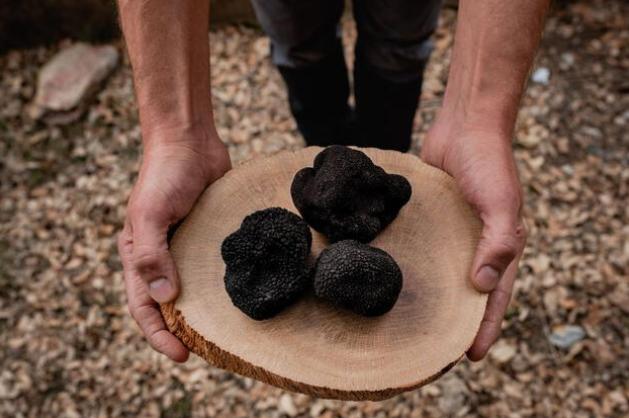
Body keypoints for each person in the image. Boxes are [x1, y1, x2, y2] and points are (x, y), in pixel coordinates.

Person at [117, 0, 548, 363]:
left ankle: (382, 143)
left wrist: (478, 123)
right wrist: (176, 135)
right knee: (301, 46)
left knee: (398, 48)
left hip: (360, 199)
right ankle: (328, 135)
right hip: (342, 202)